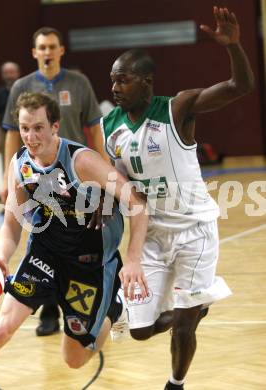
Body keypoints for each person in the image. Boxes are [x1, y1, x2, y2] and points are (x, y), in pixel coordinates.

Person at [0, 92, 148, 390]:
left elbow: (138, 204)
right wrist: (1, 258)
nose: (30, 136)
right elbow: (12, 224)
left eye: (38, 127)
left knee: (74, 359)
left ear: (55, 126)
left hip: (89, 265)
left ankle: (115, 307)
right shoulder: (19, 165)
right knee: (0, 330)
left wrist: (133, 259)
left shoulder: (82, 162)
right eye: (25, 128)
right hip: (45, 254)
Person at [101, 7, 254, 390]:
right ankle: (196, 306)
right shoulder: (109, 125)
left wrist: (234, 46)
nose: (115, 88)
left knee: (183, 325)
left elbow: (240, 87)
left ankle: (176, 382)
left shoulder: (177, 108)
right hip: (150, 233)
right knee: (139, 330)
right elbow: (120, 180)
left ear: (147, 82)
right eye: (112, 81)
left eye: (124, 80)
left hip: (194, 230)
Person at [2, 27, 107, 337]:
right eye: (41, 48)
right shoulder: (22, 86)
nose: (47, 52)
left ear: (61, 50)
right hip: (37, 175)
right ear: (34, 53)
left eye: (52, 47)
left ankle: (92, 302)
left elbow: (95, 127)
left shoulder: (79, 82)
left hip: (79, 175)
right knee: (42, 234)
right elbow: (11, 132)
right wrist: (7, 180)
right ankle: (47, 310)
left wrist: (103, 173)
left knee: (83, 239)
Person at [0, 62, 20, 159]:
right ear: (2, 75)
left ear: (18, 73)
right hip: (5, 134)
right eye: (6, 73)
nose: (9, 76)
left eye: (12, 72)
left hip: (24, 133)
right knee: (8, 164)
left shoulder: (25, 90)